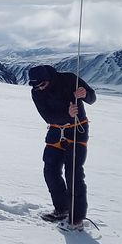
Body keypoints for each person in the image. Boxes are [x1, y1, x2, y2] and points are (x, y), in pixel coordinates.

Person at [29, 64, 96, 229]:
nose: (39, 88)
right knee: (50, 170)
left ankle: (76, 219)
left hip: (77, 131)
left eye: (42, 84)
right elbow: (48, 117)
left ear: (49, 78)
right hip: (55, 131)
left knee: (73, 173)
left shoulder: (69, 79)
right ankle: (62, 209)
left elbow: (92, 98)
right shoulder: (36, 92)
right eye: (35, 86)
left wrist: (85, 94)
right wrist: (67, 114)